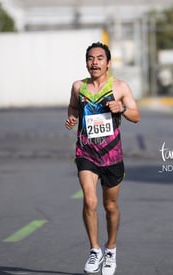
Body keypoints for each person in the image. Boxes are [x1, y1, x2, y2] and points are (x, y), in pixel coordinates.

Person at [65, 42, 140, 275]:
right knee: (90, 200)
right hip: (86, 152)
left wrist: (122, 109)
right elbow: (73, 107)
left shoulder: (120, 87)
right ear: (86, 62)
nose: (94, 62)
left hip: (112, 156)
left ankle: (111, 250)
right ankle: (94, 249)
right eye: (90, 58)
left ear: (108, 62)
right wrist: (72, 117)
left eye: (99, 58)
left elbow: (136, 116)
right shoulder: (79, 86)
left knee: (110, 205)